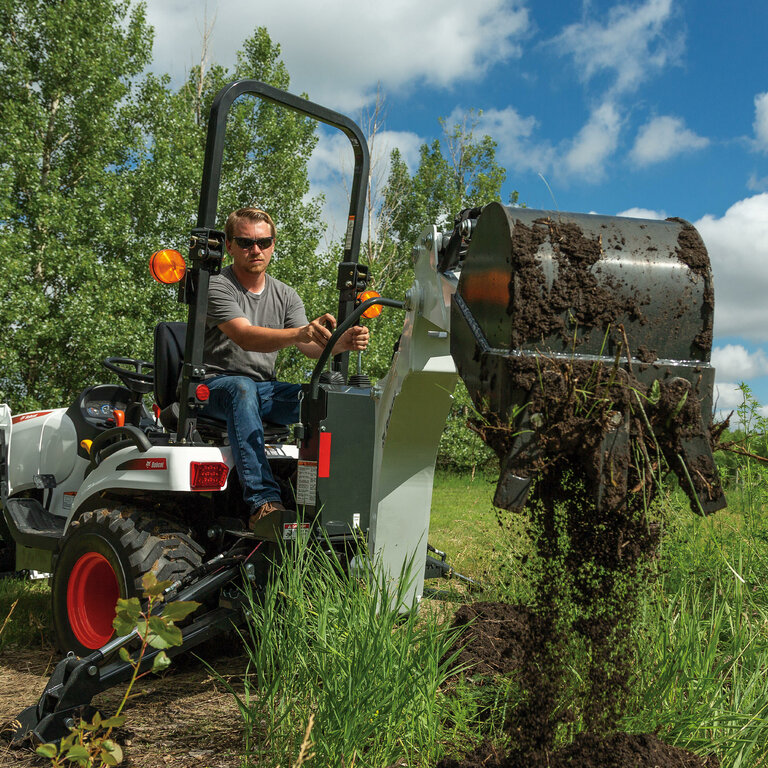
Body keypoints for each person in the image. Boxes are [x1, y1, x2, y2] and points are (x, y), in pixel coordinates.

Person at [201, 207, 369, 528]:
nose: (256, 250)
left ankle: (330, 496)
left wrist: (342, 341)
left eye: (264, 242)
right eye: (246, 242)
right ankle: (263, 504)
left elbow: (308, 346)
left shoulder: (285, 295)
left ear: (273, 245)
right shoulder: (217, 286)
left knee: (324, 398)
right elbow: (246, 337)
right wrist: (301, 332)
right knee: (242, 388)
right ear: (229, 245)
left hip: (262, 392)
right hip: (214, 388)